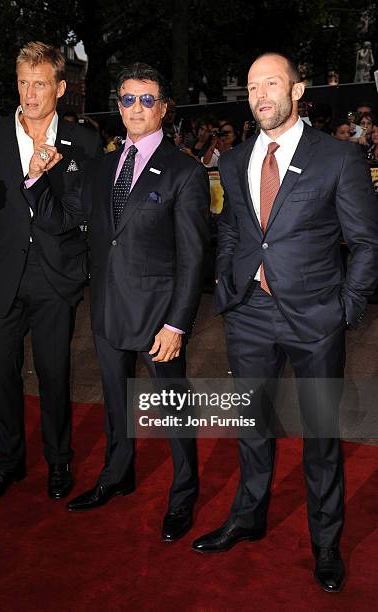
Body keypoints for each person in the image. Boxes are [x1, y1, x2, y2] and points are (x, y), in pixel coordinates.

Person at [191, 52, 378, 593]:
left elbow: (366, 242)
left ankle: (326, 542)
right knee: (252, 425)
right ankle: (248, 516)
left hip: (316, 317)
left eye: (271, 83)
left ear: (297, 90)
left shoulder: (338, 158)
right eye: (252, 86)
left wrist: (346, 308)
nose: (260, 94)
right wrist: (227, 286)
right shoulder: (234, 158)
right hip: (248, 314)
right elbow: (230, 228)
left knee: (320, 436)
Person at [28, 62, 210, 541]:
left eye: (147, 99)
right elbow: (62, 219)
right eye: (128, 99)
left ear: (164, 109)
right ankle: (117, 475)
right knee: (115, 405)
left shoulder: (185, 171)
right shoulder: (102, 166)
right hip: (108, 307)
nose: (136, 108)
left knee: (173, 409)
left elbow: (194, 258)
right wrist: (36, 178)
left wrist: (177, 325)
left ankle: (184, 493)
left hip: (158, 317)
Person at [0, 41, 103, 505]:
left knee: (53, 374)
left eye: (39, 84)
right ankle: (9, 461)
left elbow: (82, 213)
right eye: (23, 83)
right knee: (2, 373)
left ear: (60, 87)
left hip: (54, 276)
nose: (29, 93)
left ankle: (59, 461)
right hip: (2, 276)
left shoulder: (82, 141)